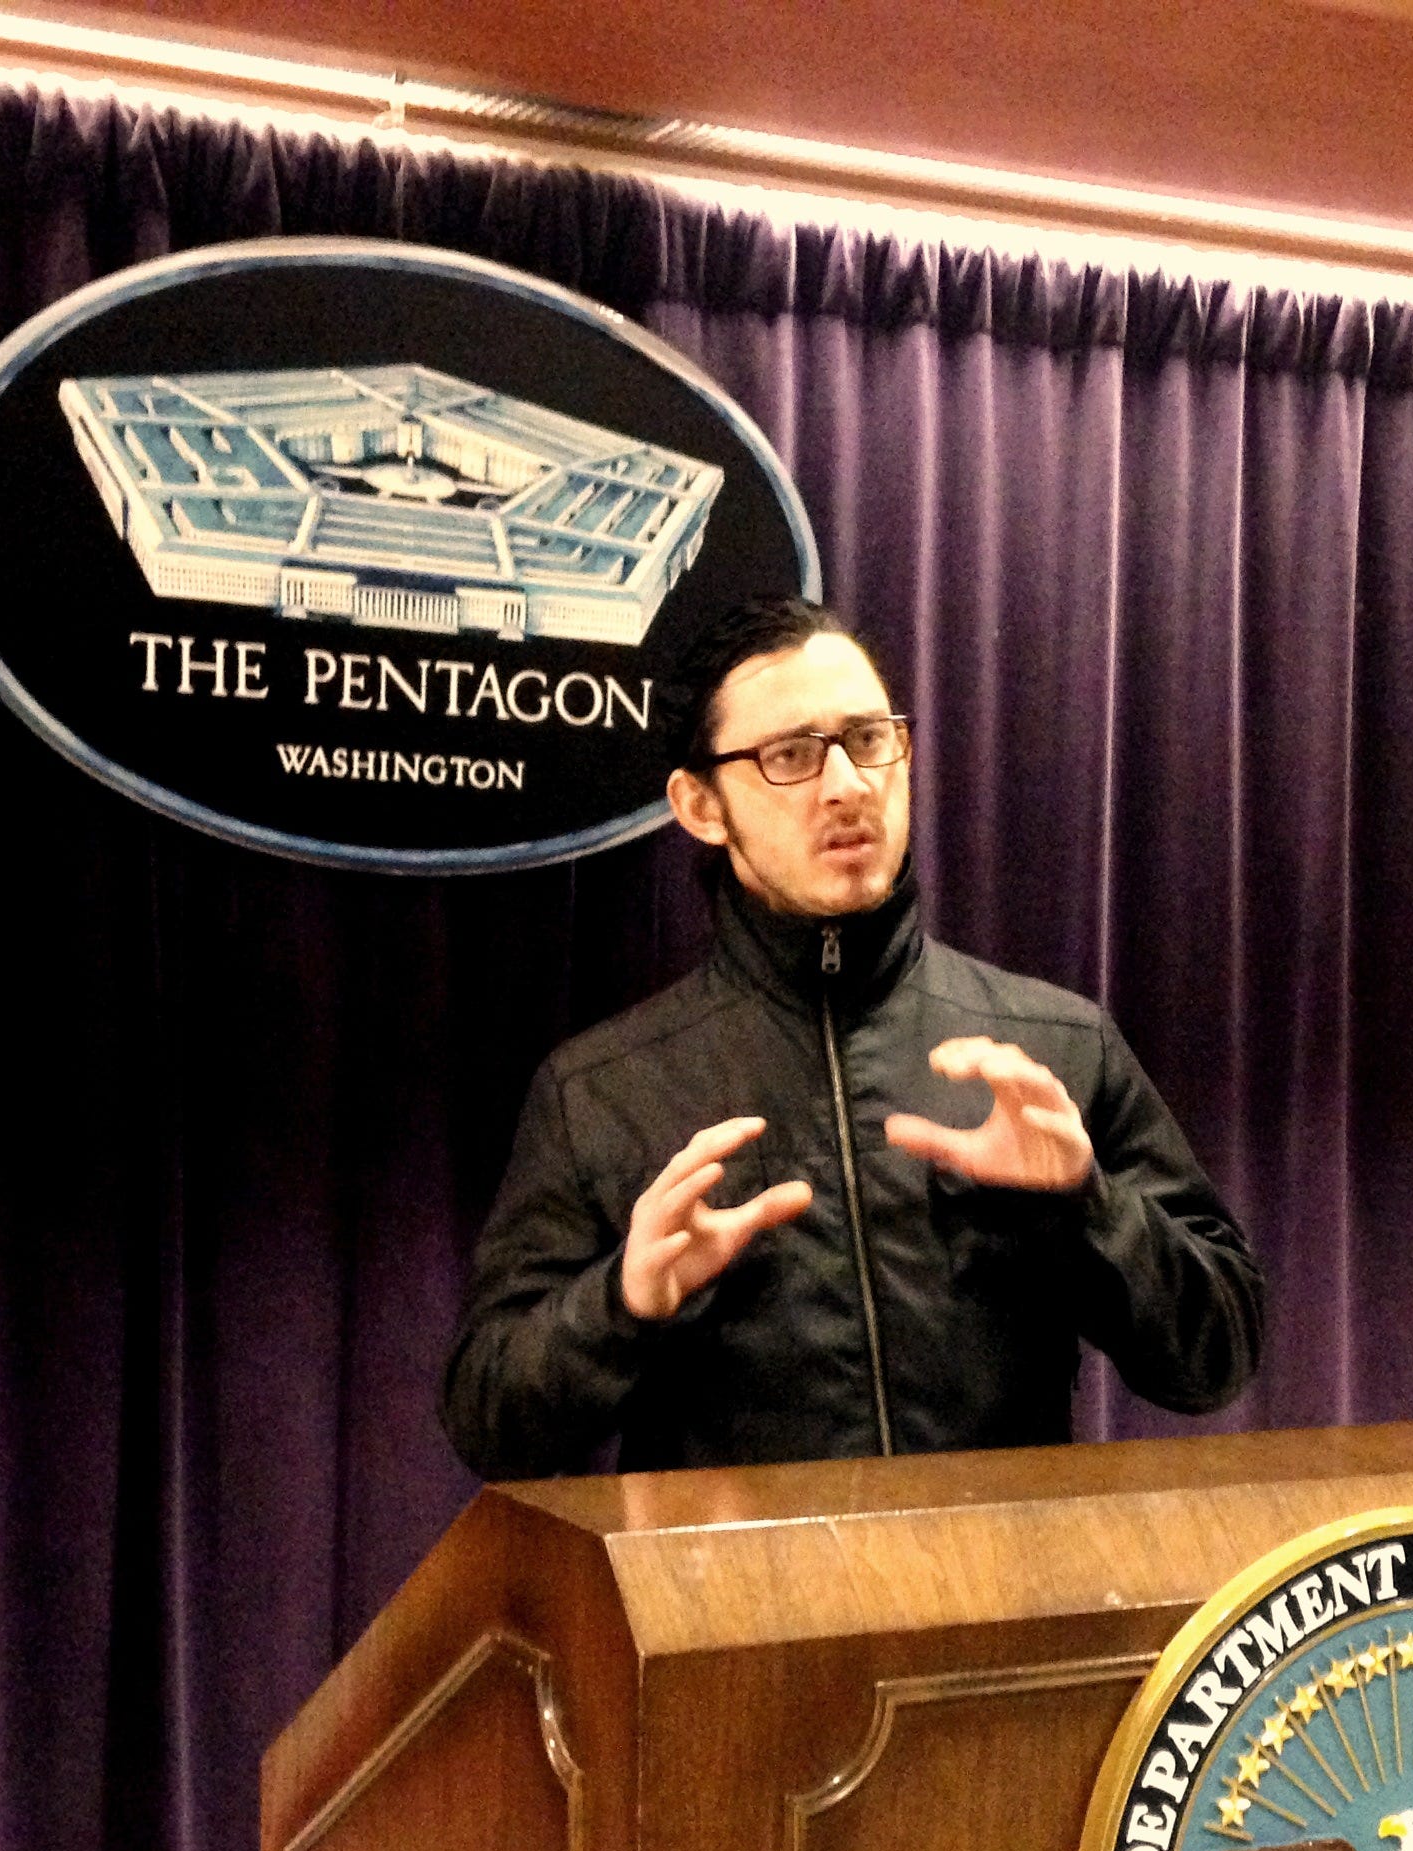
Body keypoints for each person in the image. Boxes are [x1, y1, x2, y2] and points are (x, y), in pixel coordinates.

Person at [442, 596, 1264, 1478]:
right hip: (733, 1571)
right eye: (791, 755)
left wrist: (1085, 1206)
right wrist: (623, 1303)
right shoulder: (601, 1090)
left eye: (869, 740)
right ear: (701, 806)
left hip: (1004, 1565)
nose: (847, 785)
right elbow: (489, 1423)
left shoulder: (1051, 1046)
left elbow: (1217, 1356)